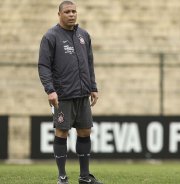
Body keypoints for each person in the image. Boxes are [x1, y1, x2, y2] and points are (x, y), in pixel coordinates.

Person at [38, 1, 103, 184]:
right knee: (62, 132)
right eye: (67, 12)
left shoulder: (84, 35)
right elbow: (43, 66)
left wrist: (93, 86)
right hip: (63, 96)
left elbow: (89, 63)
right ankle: (62, 177)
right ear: (59, 14)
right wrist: (50, 90)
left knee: (84, 132)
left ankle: (84, 177)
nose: (72, 14)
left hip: (83, 94)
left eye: (74, 11)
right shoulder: (51, 36)